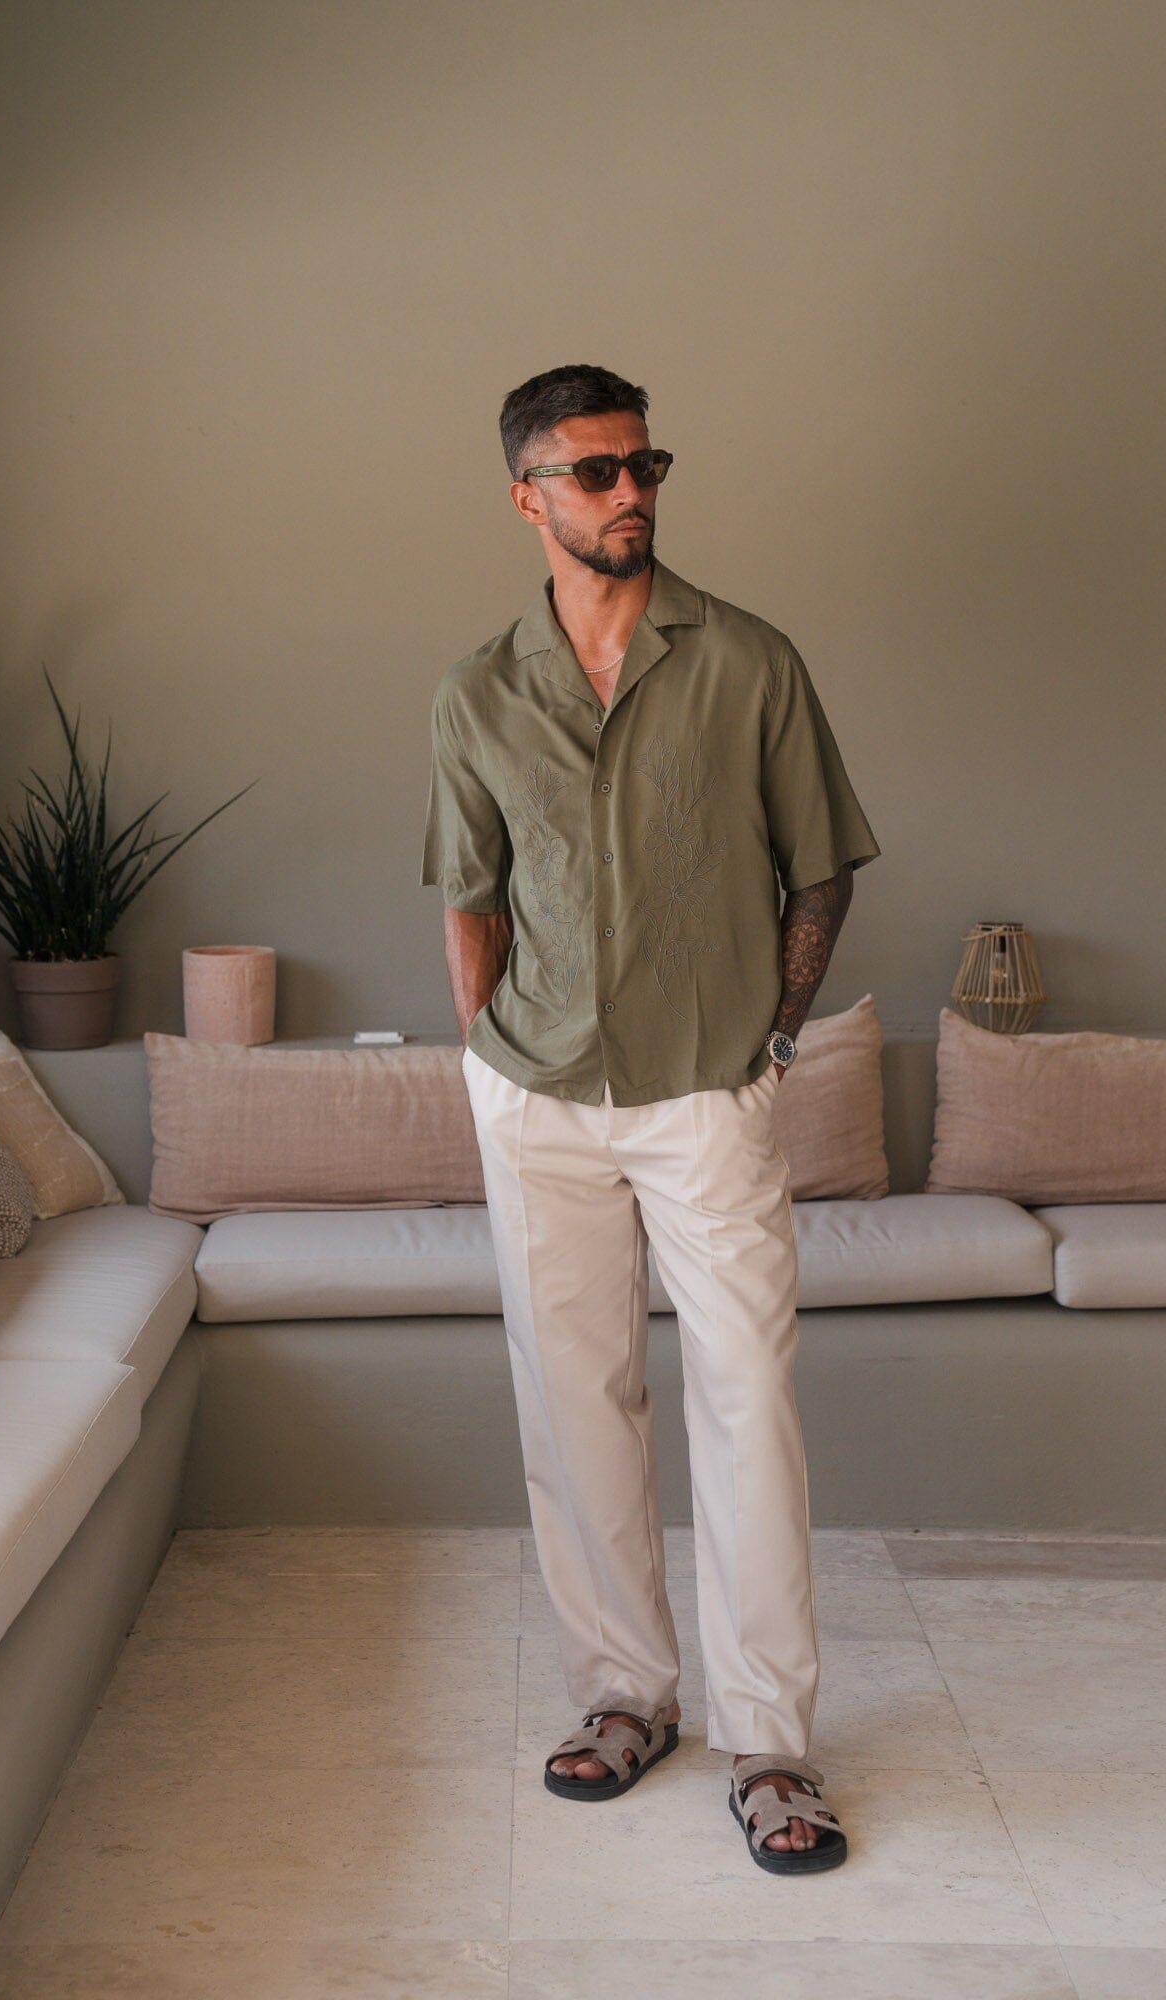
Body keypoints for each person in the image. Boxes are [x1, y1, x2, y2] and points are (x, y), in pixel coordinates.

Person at [420, 363, 880, 1873]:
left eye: (645, 465)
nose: (631, 493)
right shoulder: (478, 693)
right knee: (573, 1402)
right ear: (527, 498)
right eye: (596, 472)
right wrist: (485, 1057)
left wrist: (772, 1039)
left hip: (706, 1090)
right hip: (535, 1091)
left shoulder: (748, 660)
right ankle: (626, 1695)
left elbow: (820, 868)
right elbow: (471, 893)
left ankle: (770, 1744)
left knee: (747, 1401)